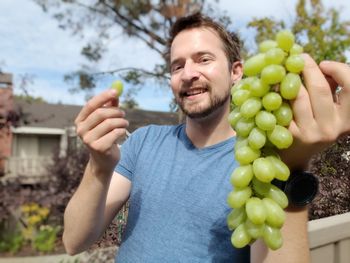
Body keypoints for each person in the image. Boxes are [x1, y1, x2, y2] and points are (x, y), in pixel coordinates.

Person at [62, 12, 350, 262]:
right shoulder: (143, 142)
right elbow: (74, 241)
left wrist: (293, 168)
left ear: (236, 71)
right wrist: (99, 166)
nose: (188, 74)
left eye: (204, 59)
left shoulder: (260, 159)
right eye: (177, 66)